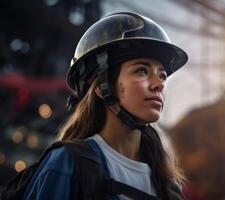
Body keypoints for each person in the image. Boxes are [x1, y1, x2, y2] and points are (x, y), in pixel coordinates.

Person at [24, 12, 188, 200]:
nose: (159, 84)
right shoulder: (67, 164)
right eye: (142, 70)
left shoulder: (168, 184)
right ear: (102, 88)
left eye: (162, 75)